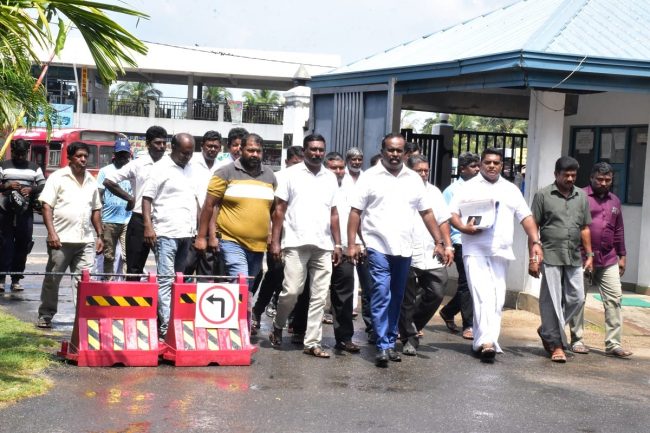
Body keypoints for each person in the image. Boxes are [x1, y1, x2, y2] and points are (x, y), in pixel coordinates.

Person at [347, 133, 449, 368]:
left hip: (404, 247)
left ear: (404, 153)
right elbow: (355, 212)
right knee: (381, 293)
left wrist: (439, 241)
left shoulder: (413, 179)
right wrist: (352, 244)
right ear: (382, 151)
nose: (394, 154)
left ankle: (391, 341)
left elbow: (427, 213)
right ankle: (382, 345)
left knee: (397, 297)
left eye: (399, 150)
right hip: (377, 245)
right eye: (390, 150)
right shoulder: (369, 177)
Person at [450, 148, 542, 363]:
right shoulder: (468, 187)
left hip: (501, 250)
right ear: (481, 164)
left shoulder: (510, 189)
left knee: (498, 298)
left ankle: (482, 340)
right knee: (482, 296)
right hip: (475, 249)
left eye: (496, 163)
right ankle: (487, 343)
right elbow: (452, 214)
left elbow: (526, 217)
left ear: (502, 165)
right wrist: (463, 228)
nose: (492, 166)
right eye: (488, 162)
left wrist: (536, 242)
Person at [269, 134, 342, 359]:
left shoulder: (330, 177)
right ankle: (278, 324)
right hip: (295, 242)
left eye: (321, 150)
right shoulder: (291, 175)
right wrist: (275, 241)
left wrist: (338, 243)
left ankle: (312, 342)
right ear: (305, 150)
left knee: (319, 296)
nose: (317, 153)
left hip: (323, 244)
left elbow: (334, 213)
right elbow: (279, 210)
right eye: (313, 149)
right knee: (292, 291)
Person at [194, 133, 276, 310]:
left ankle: (238, 317)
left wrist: (273, 237)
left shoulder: (269, 175)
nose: (254, 154)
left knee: (248, 285)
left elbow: (274, 210)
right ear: (241, 149)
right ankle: (238, 322)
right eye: (250, 150)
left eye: (258, 151)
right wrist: (203, 237)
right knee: (241, 280)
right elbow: (209, 205)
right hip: (231, 240)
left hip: (258, 246)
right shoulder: (225, 172)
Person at [531, 156, 593, 363]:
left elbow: (584, 227)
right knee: (552, 301)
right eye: (566, 175)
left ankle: (547, 329)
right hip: (550, 254)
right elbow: (533, 228)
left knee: (578, 298)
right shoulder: (543, 195)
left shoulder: (581, 196)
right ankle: (556, 345)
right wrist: (533, 257)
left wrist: (590, 255)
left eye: (573, 175)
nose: (570, 179)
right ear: (556, 174)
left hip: (574, 255)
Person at [569, 163, 633, 358]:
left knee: (614, 298)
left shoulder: (615, 201)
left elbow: (618, 229)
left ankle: (613, 344)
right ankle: (577, 340)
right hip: (581, 257)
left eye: (607, 180)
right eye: (599, 179)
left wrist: (622, 255)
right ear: (591, 178)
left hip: (608, 258)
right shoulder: (579, 196)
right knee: (578, 299)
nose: (603, 183)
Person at [37, 142, 104, 328]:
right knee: (53, 279)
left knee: (84, 281)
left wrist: (99, 235)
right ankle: (45, 315)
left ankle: (83, 318)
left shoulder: (91, 180)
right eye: (79, 156)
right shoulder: (58, 177)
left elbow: (96, 210)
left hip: (85, 241)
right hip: (61, 240)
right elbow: (46, 206)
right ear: (70, 158)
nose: (83, 160)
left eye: (85, 156)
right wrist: (52, 233)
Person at [142, 133, 196, 339]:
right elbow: (147, 199)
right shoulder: (160, 168)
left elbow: (195, 200)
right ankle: (166, 329)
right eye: (184, 153)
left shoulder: (191, 169)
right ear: (173, 147)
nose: (187, 157)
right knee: (166, 280)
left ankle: (175, 322)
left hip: (186, 233)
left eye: (190, 153)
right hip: (165, 233)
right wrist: (148, 226)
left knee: (178, 281)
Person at [398, 155, 454, 356]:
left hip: (432, 250)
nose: (423, 174)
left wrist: (447, 245)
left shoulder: (434, 192)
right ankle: (409, 338)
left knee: (437, 292)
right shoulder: (399, 190)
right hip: (406, 250)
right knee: (407, 298)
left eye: (426, 170)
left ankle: (410, 326)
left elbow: (443, 220)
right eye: (419, 170)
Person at [104, 126, 167, 280]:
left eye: (164, 143)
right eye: (157, 143)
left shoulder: (170, 164)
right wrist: (130, 198)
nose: (161, 147)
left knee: (167, 270)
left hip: (163, 221)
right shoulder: (137, 164)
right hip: (139, 220)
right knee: (134, 269)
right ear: (148, 144)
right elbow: (109, 181)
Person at [252, 146, 304, 326]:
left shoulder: (307, 178)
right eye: (295, 163)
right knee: (275, 274)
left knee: (296, 279)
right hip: (278, 234)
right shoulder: (277, 178)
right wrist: (270, 234)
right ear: (287, 162)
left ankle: (291, 317)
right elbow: (268, 209)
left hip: (298, 236)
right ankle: (258, 310)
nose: (298, 167)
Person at [439, 152, 480, 340]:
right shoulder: (452, 191)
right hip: (460, 240)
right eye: (473, 166)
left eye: (478, 165)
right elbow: (445, 218)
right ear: (462, 169)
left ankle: (449, 311)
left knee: (473, 282)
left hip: (478, 240)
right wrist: (446, 244)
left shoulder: (482, 187)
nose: (477, 169)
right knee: (466, 282)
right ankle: (468, 324)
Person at [325, 151, 361, 353]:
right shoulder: (319, 187)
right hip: (321, 247)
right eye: (334, 168)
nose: (338, 171)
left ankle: (344, 337)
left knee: (344, 295)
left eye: (341, 168)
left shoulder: (352, 189)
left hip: (345, 249)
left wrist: (358, 244)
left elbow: (358, 217)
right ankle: (301, 330)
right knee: (310, 292)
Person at [0, 139, 45, 292]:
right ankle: (1, 279)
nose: (20, 157)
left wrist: (31, 189)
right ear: (12, 152)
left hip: (25, 212)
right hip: (5, 212)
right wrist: (7, 185)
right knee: (4, 244)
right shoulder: (3, 165)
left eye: (23, 154)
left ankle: (16, 279)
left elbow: (43, 185)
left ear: (27, 152)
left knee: (23, 244)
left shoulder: (35, 168)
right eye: (17, 154)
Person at [185, 130, 223, 279]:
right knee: (185, 267)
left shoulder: (221, 168)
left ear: (220, 148)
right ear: (202, 146)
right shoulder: (191, 163)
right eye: (209, 146)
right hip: (190, 225)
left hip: (212, 225)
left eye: (215, 147)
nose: (212, 149)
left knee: (207, 271)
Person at [96, 138, 132, 280]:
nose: (123, 158)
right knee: (109, 255)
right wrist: (99, 219)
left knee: (127, 256)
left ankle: (125, 283)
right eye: (120, 154)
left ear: (129, 155)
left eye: (125, 154)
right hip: (109, 220)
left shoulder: (132, 170)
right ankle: (108, 281)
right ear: (114, 154)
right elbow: (99, 195)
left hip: (128, 220)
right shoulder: (105, 171)